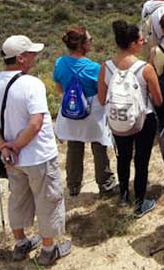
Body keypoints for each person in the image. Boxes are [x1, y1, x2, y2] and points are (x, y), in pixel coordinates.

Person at [0, 35, 71, 266]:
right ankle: (49, 249)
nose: (35, 57)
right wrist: (17, 145)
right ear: (20, 58)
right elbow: (35, 123)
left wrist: (3, 146)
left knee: (18, 198)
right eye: (31, 53)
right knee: (47, 199)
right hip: (38, 155)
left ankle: (21, 244)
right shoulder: (32, 84)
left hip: (11, 159)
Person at [97, 20, 163, 217]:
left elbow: (102, 99)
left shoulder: (105, 67)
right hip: (144, 119)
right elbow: (158, 100)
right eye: (141, 40)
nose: (143, 43)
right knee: (141, 161)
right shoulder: (145, 68)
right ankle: (140, 203)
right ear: (133, 44)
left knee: (122, 158)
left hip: (118, 120)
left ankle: (124, 195)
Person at [53, 26, 116, 197]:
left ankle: (73, 184)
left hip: (71, 111)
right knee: (99, 146)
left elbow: (59, 88)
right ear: (81, 44)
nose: (92, 41)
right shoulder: (94, 68)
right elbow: (103, 92)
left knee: (74, 146)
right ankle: (105, 184)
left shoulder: (60, 63)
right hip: (92, 113)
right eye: (89, 39)